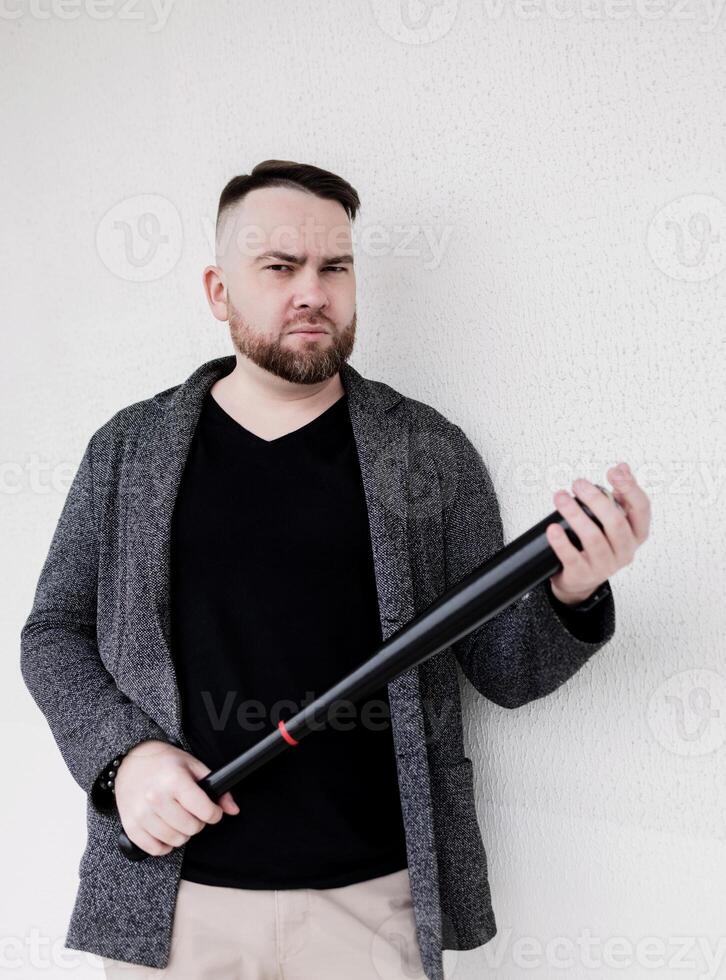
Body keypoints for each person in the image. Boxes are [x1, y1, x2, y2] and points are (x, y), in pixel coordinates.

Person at [20, 160, 651, 980]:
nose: (311, 292)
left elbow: (502, 667)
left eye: (335, 267)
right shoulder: (127, 451)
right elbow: (52, 634)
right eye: (279, 268)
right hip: (174, 907)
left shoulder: (425, 449)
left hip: (375, 902)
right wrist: (123, 759)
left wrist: (570, 592)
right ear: (219, 291)